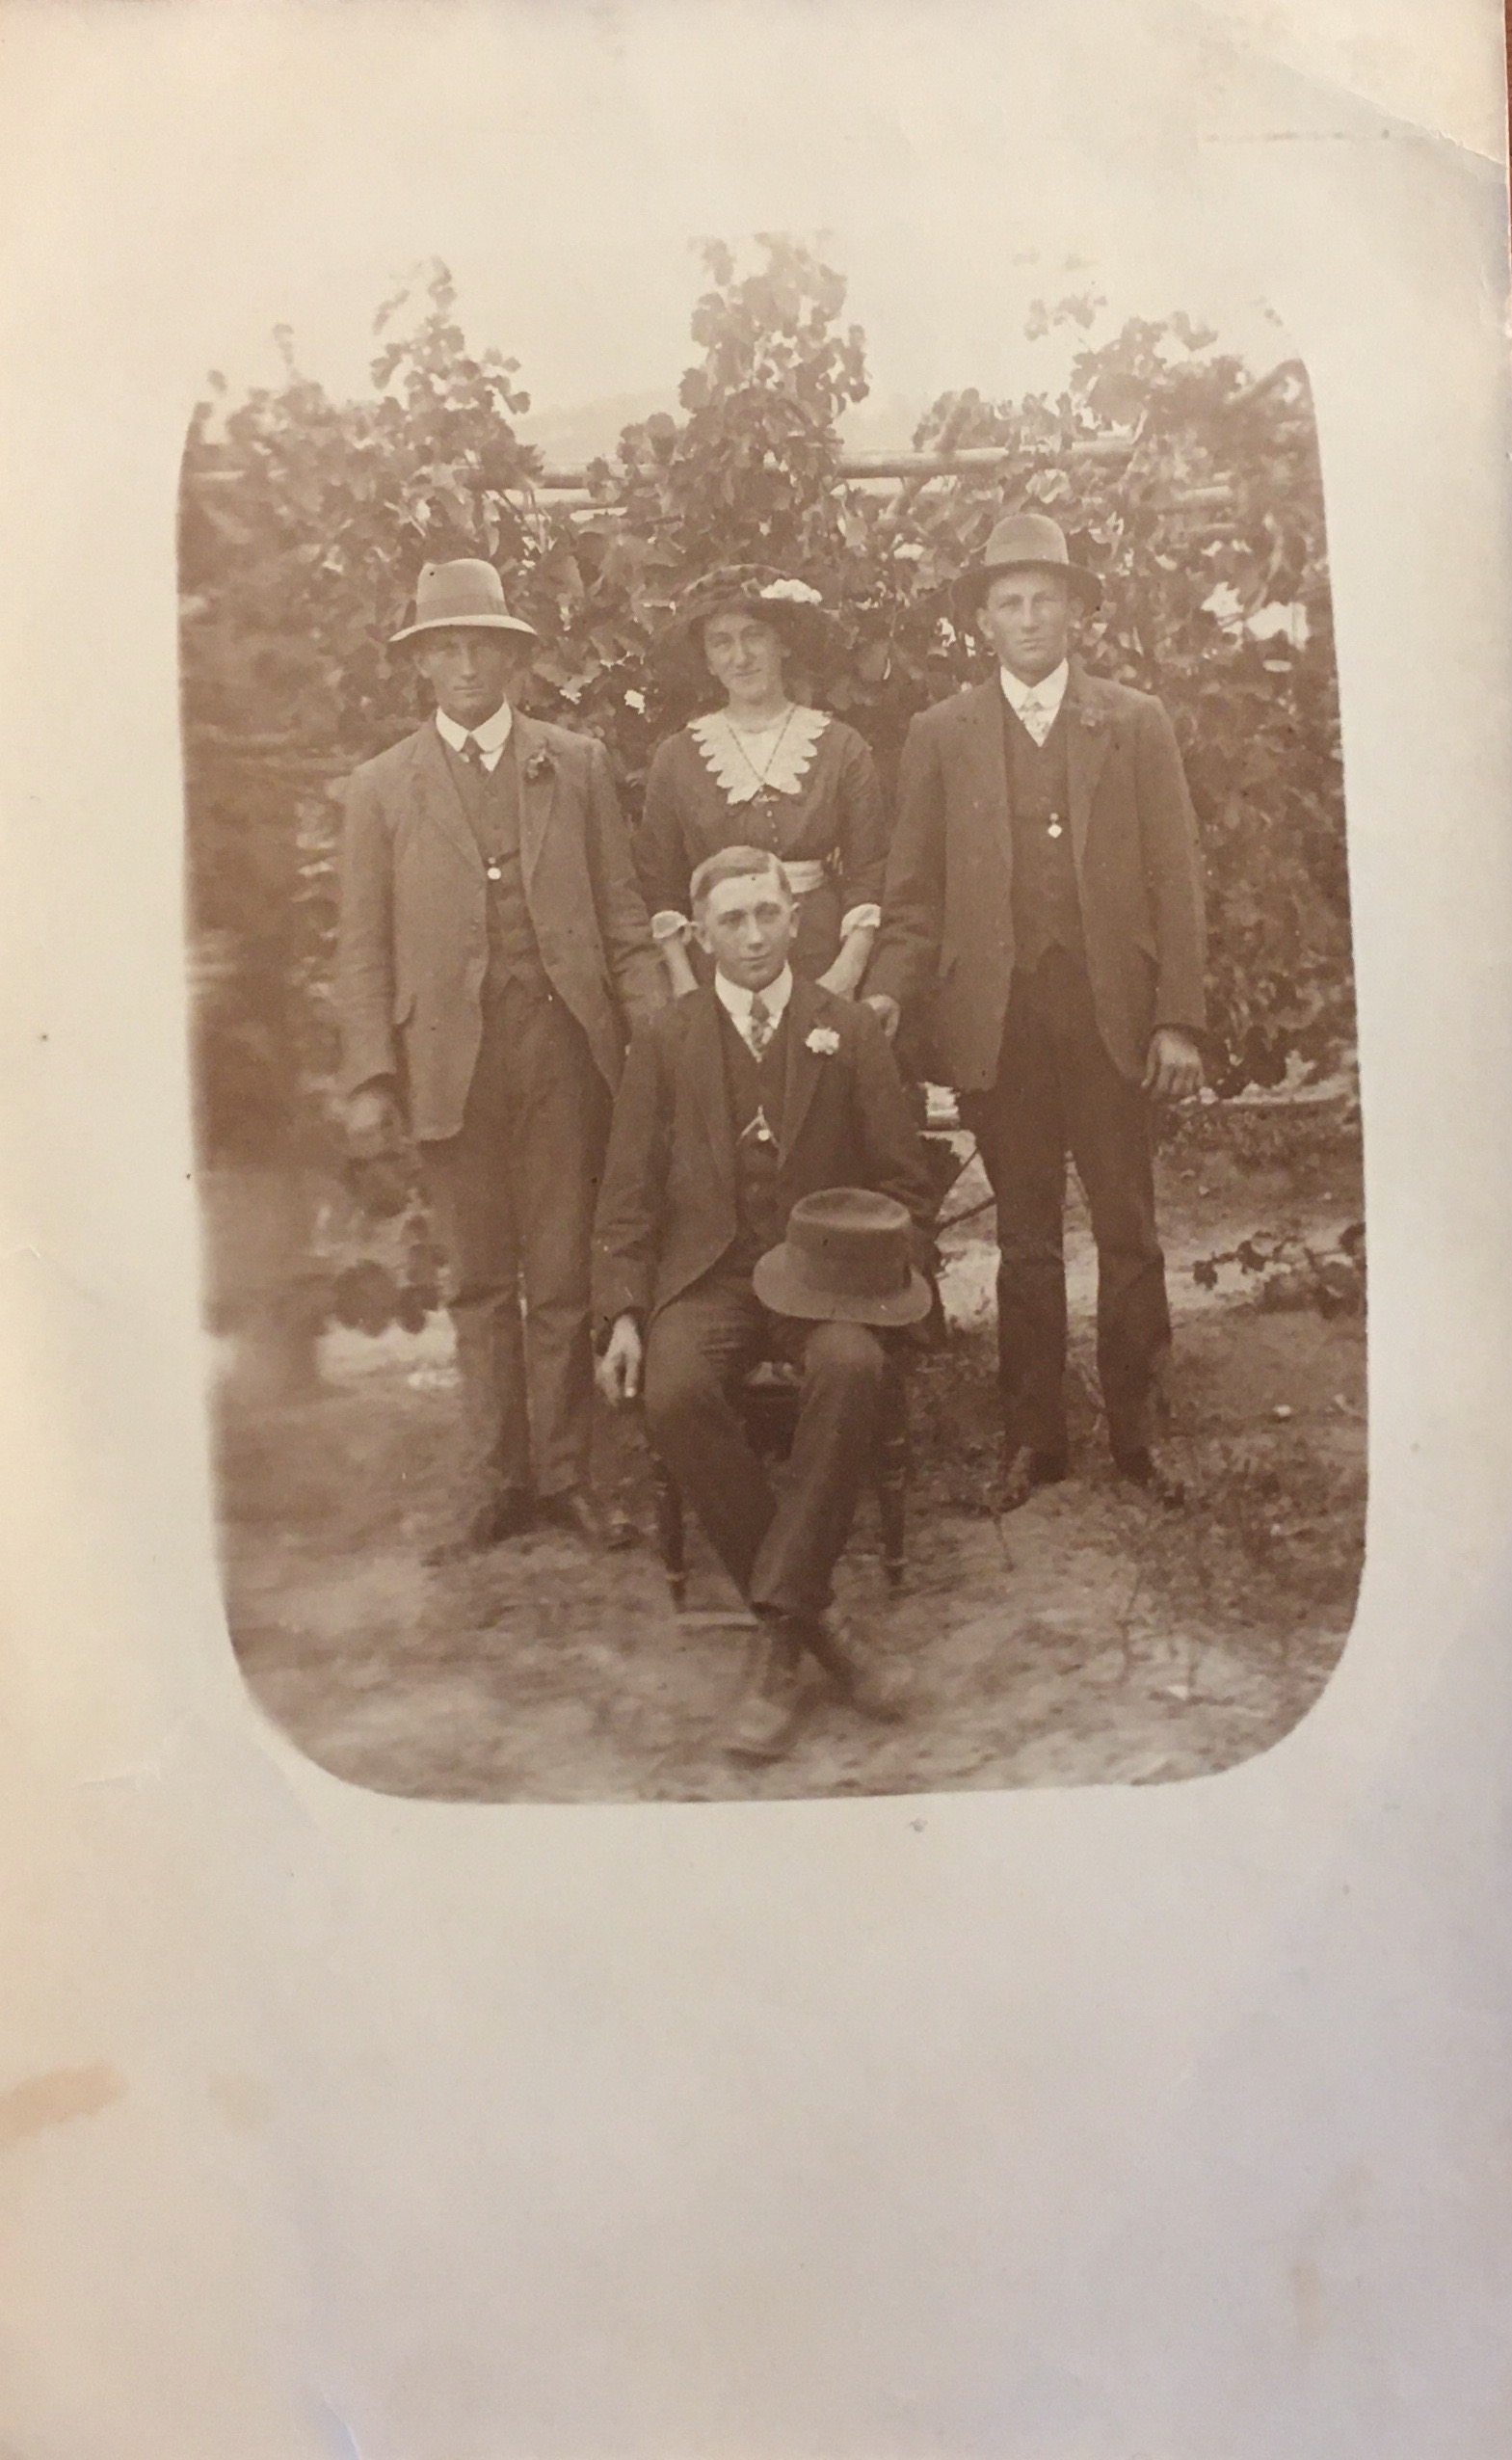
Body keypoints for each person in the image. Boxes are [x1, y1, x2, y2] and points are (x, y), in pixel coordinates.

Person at [865, 511, 1207, 1507]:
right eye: (1008, 603)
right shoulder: (941, 734)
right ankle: (1034, 1437)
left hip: (1110, 1017)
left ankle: (1139, 1432)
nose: (1027, 619)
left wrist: (1176, 1019)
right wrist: (886, 990)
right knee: (1023, 1235)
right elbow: (913, 894)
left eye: (1044, 600)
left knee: (1129, 1225)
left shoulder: (1132, 721)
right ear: (982, 621)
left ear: (1074, 613)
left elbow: (1176, 879)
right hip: (999, 1022)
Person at [335, 556, 666, 1558]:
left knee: (562, 1272)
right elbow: (363, 947)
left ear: (514, 659)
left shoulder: (576, 763)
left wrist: (658, 1041)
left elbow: (621, 917)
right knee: (478, 1278)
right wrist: (370, 1076)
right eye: (446, 648)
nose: (466, 665)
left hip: (559, 1051)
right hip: (448, 1060)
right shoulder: (380, 788)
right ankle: (496, 1478)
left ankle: (567, 1475)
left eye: (482, 645)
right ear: (422, 664)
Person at [593, 845, 936, 1763]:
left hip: (823, 1279)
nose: (752, 937)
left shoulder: (845, 1028)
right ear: (702, 936)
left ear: (795, 919)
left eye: (767, 915)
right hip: (708, 1275)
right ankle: (818, 1627)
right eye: (731, 921)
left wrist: (890, 1284)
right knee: (672, 1393)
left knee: (851, 1366)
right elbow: (625, 1193)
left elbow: (906, 1183)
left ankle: (779, 1643)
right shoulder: (664, 1038)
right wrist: (622, 1314)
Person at [636, 565, 887, 1000]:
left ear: (783, 643)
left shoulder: (840, 746)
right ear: (708, 660)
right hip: (715, 966)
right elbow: (661, 883)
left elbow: (871, 870)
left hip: (818, 956)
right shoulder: (677, 757)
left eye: (754, 636)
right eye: (722, 642)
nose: (740, 657)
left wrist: (844, 975)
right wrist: (685, 986)